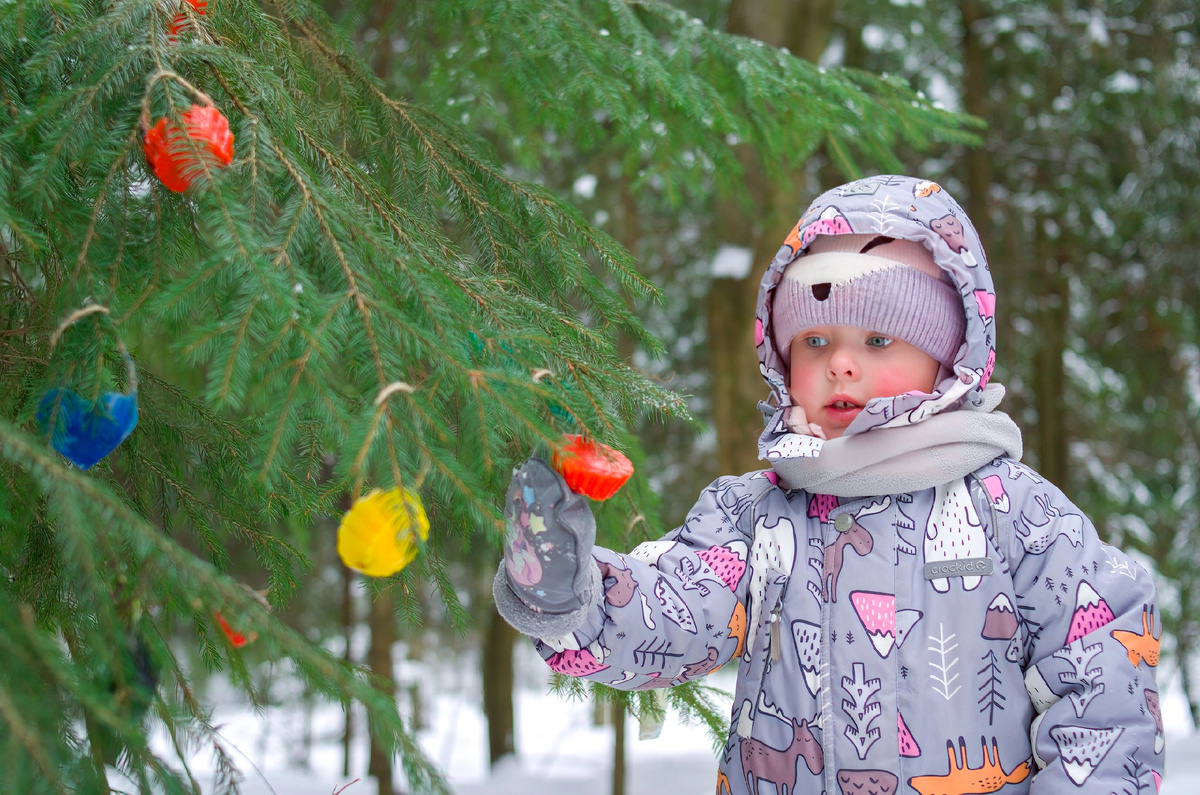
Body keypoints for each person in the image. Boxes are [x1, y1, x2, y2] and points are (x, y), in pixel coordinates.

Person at [493, 175, 1164, 795]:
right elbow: (672, 616)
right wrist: (565, 593)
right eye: (815, 341)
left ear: (949, 357)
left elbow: (1102, 695)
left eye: (878, 338)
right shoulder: (755, 516)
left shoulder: (1020, 515)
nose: (841, 363)